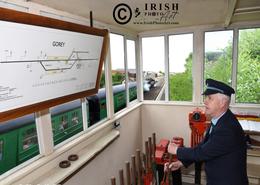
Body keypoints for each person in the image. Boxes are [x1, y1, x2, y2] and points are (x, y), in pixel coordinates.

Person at [166, 78, 248, 185]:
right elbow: (204, 146)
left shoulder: (227, 129)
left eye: (210, 98)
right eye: (206, 97)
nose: (205, 101)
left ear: (222, 103)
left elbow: (201, 153)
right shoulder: (219, 120)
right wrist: (182, 162)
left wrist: (176, 150)